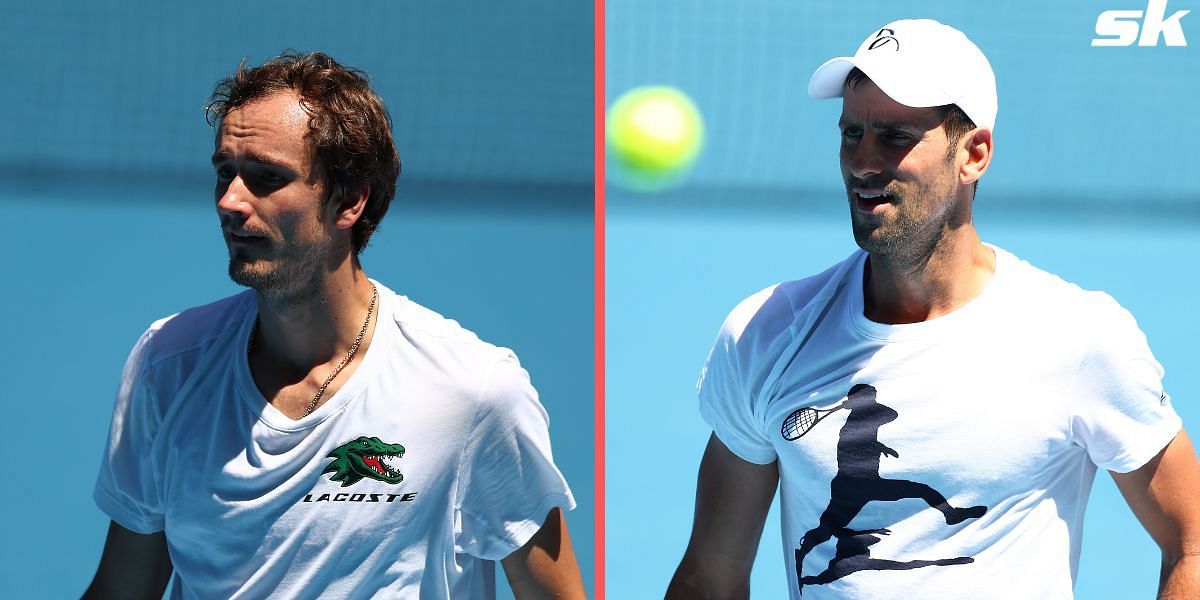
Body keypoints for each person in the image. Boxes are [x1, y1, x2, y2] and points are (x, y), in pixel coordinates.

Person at [667, 19, 1200, 599]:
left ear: (973, 154)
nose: (863, 162)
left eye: (894, 136)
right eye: (851, 134)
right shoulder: (764, 335)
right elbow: (710, 576)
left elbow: (1192, 540)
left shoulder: (1080, 338)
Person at [85, 51, 584, 599]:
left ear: (349, 200)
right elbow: (122, 590)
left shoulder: (473, 392)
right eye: (225, 173)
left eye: (266, 178)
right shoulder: (167, 365)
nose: (230, 201)